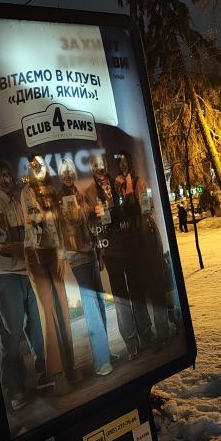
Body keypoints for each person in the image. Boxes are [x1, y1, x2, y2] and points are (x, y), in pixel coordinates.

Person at [0, 160, 45, 411]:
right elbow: (1, 241)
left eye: (8, 175)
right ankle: (15, 388)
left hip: (28, 270)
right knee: (10, 334)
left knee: (38, 326)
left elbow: (36, 225)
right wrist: (26, 243)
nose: (6, 180)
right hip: (7, 274)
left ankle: (44, 373)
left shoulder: (22, 197)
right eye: (0, 176)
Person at [84, 152, 156, 361]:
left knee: (137, 291)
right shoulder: (89, 193)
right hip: (111, 251)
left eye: (102, 164)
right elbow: (89, 224)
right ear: (91, 168)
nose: (100, 168)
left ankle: (146, 334)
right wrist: (97, 217)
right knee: (121, 298)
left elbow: (134, 208)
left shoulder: (119, 183)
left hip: (129, 245)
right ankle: (131, 343)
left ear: (107, 164)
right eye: (95, 165)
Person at [21, 155, 78, 395]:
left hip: (54, 252)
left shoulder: (52, 191)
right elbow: (36, 222)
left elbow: (59, 224)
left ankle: (70, 367)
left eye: (41, 165)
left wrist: (61, 253)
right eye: (34, 166)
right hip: (36, 254)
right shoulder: (27, 192)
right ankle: (56, 373)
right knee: (47, 310)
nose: (38, 169)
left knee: (62, 306)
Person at [57, 158, 113, 376]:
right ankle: (101, 360)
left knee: (99, 303)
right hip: (78, 257)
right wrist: (90, 210)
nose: (68, 176)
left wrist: (99, 253)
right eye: (64, 173)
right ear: (60, 176)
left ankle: (105, 352)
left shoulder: (78, 194)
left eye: (70, 171)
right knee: (91, 308)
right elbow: (75, 220)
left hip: (90, 253)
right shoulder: (62, 198)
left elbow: (90, 226)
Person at [114, 150, 170, 351]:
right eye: (119, 163)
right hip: (132, 242)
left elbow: (147, 207)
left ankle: (163, 333)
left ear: (130, 162)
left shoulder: (139, 182)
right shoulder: (117, 187)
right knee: (137, 289)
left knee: (155, 286)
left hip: (147, 237)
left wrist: (133, 208)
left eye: (125, 161)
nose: (122, 165)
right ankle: (147, 335)